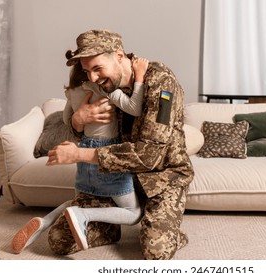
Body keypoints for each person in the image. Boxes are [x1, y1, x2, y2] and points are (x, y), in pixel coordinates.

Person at [46, 29, 194, 260]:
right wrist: (78, 121)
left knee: (156, 251)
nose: (92, 78)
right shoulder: (100, 87)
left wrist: (79, 155)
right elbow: (83, 136)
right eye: (87, 71)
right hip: (116, 177)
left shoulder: (160, 81)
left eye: (97, 68)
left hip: (162, 176)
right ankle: (110, 228)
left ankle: (164, 230)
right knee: (60, 241)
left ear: (118, 55)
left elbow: (150, 155)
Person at [10, 53, 148, 254]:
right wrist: (140, 78)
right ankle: (82, 215)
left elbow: (68, 120)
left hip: (82, 153)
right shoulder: (104, 88)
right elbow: (134, 108)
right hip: (104, 154)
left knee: (79, 201)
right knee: (133, 213)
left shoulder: (73, 92)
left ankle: (45, 220)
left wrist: (79, 116)